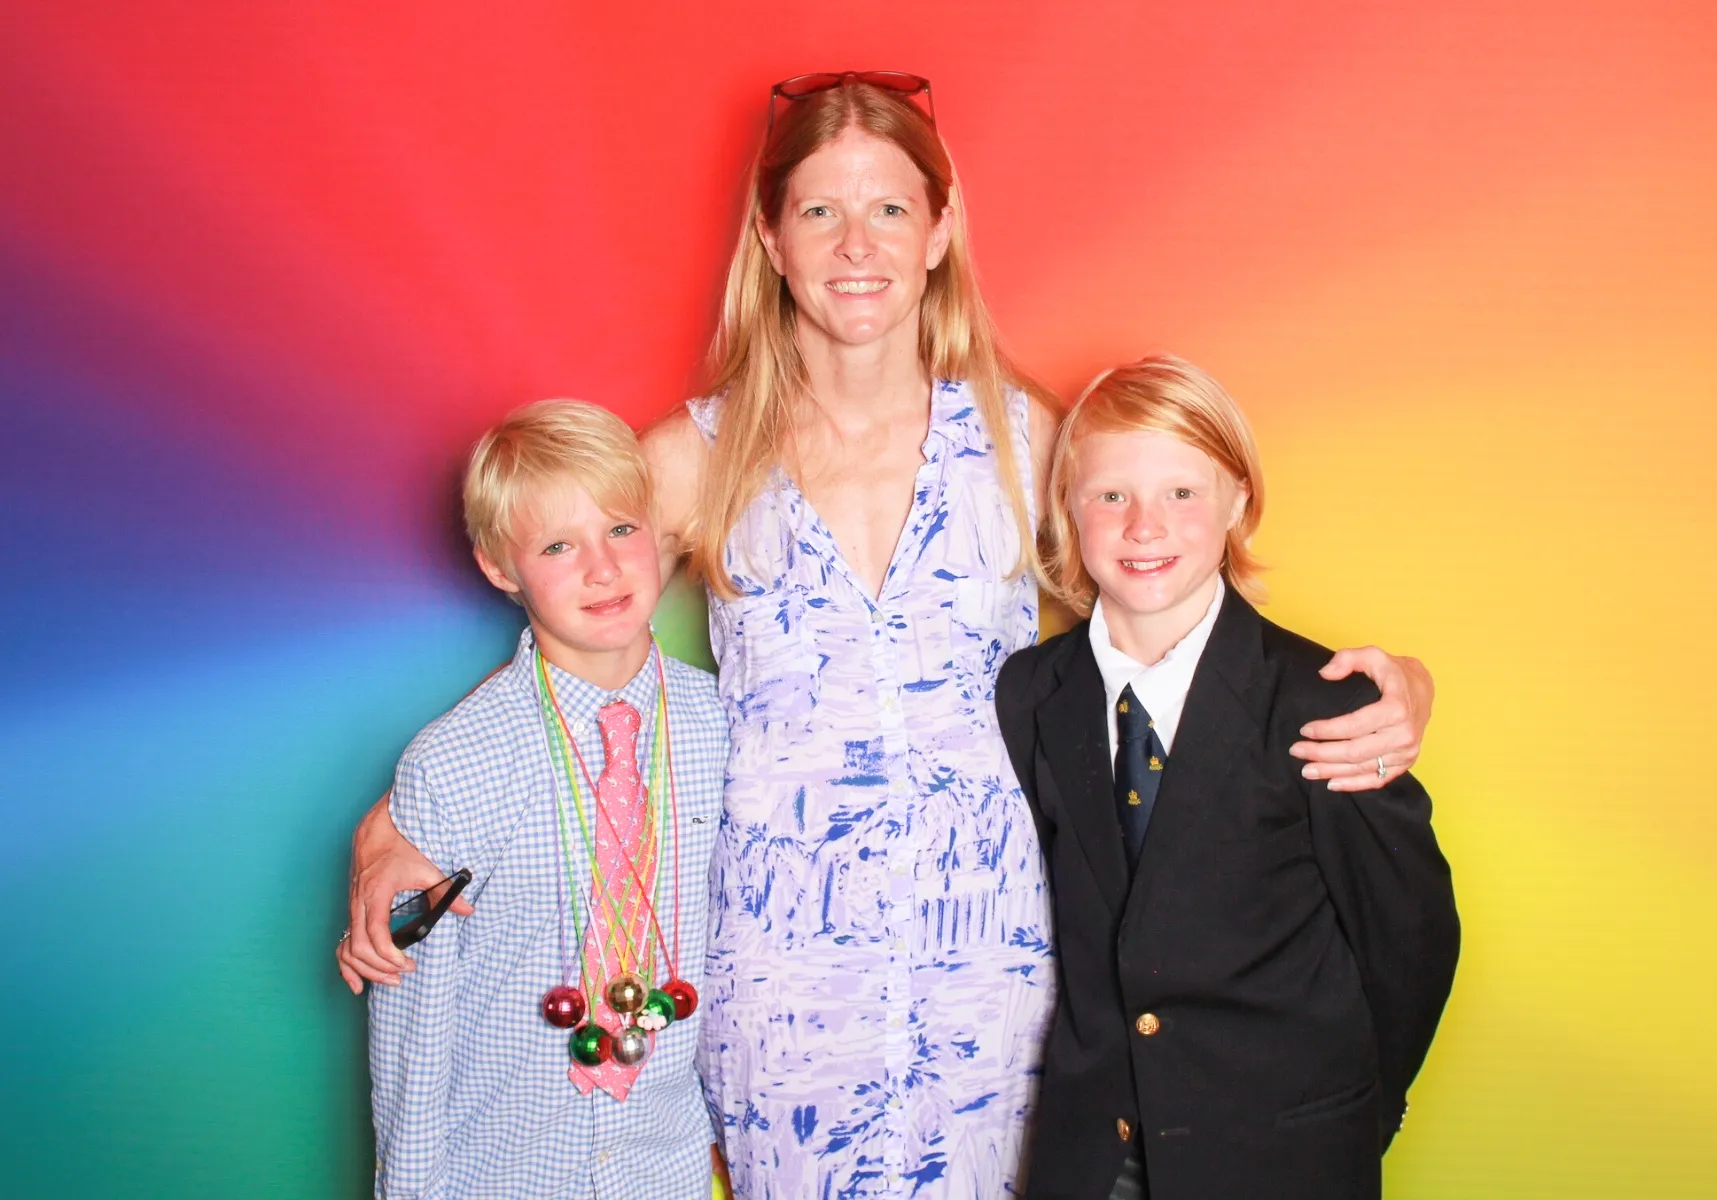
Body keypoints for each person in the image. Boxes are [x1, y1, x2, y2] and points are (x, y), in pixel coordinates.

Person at [338, 75, 1439, 1199]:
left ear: (940, 227)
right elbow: (577, 636)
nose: (855, 245)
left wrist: (1389, 687)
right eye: (819, 210)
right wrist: (397, 826)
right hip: (787, 1006)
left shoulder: (1026, 441)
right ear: (769, 235)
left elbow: (1175, 613)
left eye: (890, 210)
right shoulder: (692, 458)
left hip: (999, 995)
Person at [996, 357, 1460, 1200]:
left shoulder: (1330, 705)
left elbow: (1411, 942)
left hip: (1280, 1158)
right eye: (1111, 495)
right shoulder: (1029, 694)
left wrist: (1351, 1116)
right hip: (1090, 1157)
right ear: (1066, 505)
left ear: (1237, 502)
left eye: (1182, 493)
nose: (1145, 526)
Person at [365, 400, 727, 1198]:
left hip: (663, 1169)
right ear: (501, 568)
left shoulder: (722, 723)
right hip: (502, 1170)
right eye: (559, 546)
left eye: (623, 531)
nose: (603, 568)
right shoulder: (455, 762)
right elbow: (412, 1033)